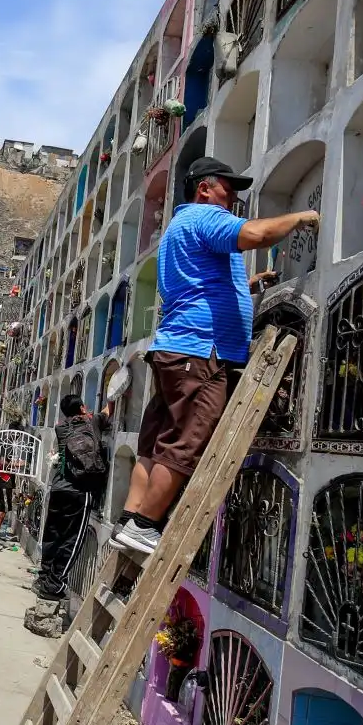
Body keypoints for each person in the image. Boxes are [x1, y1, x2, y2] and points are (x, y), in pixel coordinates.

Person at [114, 157, 318, 555]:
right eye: (229, 186)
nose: (234, 195)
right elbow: (256, 234)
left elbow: (199, 285)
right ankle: (144, 526)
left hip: (176, 349)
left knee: (155, 442)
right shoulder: (206, 216)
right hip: (200, 352)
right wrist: (302, 216)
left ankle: (130, 518)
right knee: (187, 440)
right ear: (204, 188)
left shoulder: (180, 226)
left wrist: (250, 285)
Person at [34, 394, 112, 601]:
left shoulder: (61, 428)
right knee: (72, 540)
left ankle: (44, 578)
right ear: (83, 408)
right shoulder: (92, 421)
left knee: (52, 534)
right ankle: (54, 586)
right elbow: (108, 410)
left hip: (59, 488)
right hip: (80, 490)